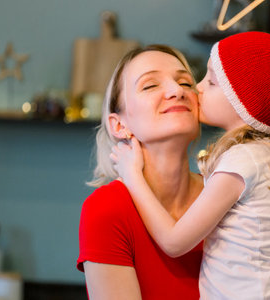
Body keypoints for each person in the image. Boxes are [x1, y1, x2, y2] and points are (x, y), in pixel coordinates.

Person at [111, 32, 270, 299]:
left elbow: (174, 242)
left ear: (244, 103)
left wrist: (132, 175)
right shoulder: (267, 156)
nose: (196, 88)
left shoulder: (242, 161)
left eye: (211, 81)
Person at [76, 44, 205, 300]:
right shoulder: (106, 210)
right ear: (119, 124)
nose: (177, 90)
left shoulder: (226, 197)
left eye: (186, 83)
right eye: (150, 85)